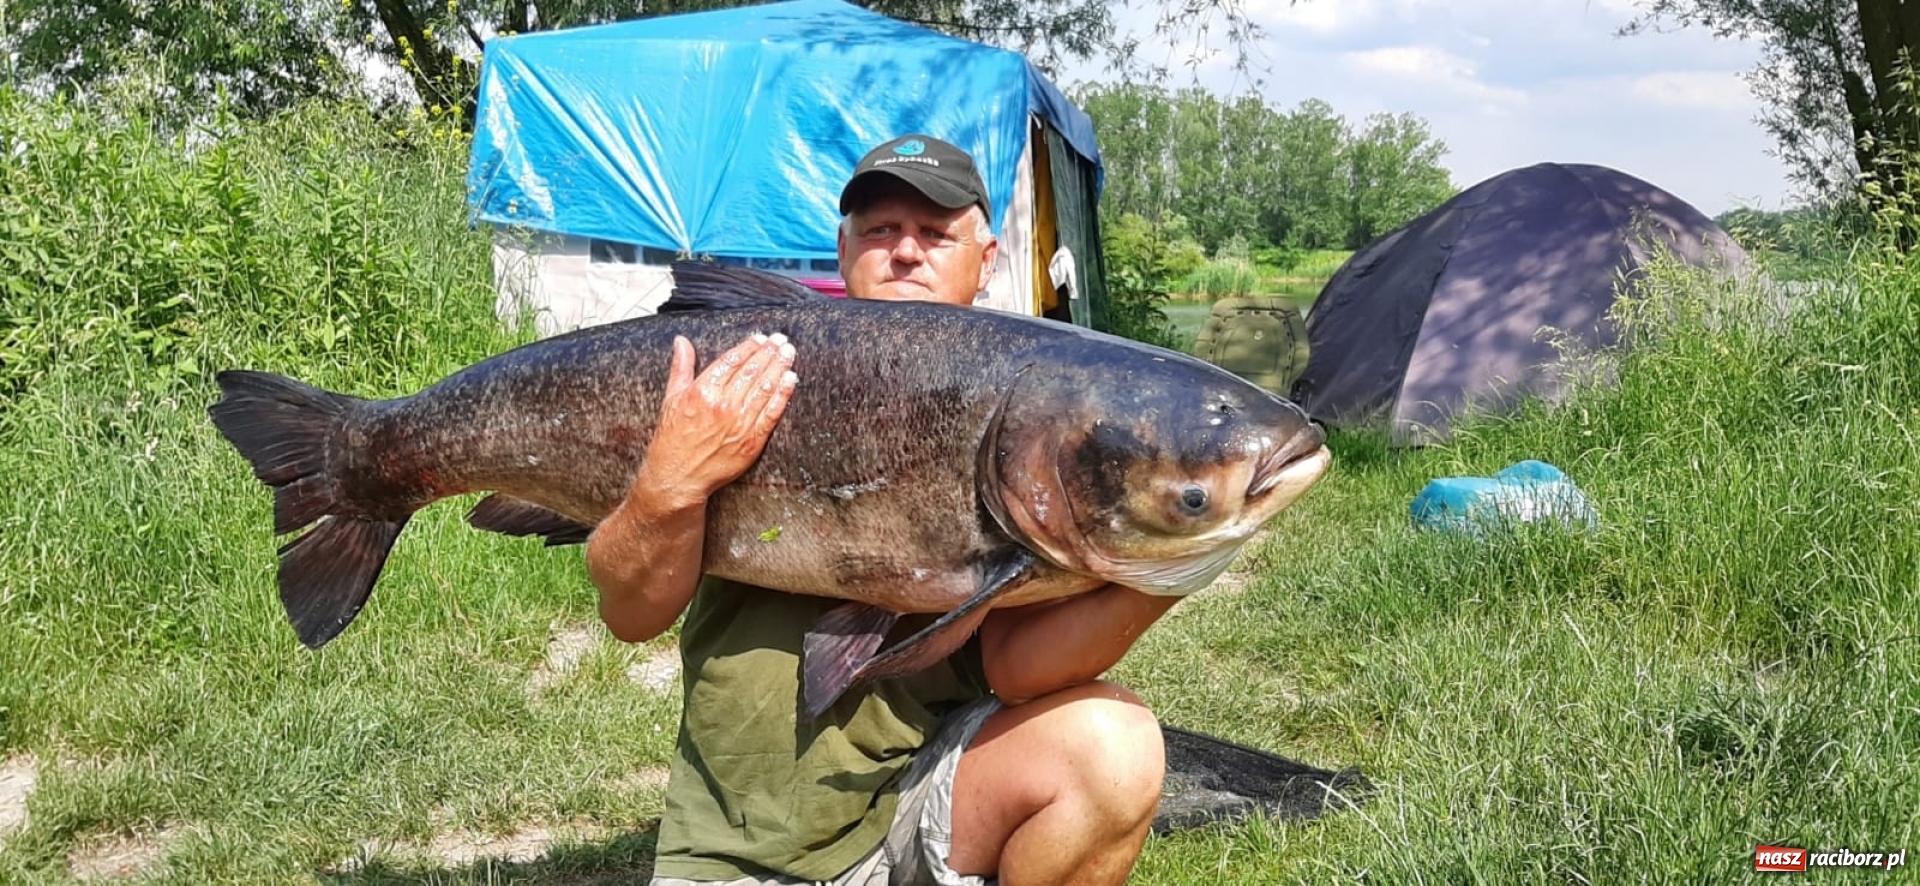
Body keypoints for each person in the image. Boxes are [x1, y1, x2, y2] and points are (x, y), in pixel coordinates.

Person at [586, 135, 1178, 886]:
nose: (905, 251)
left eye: (935, 233)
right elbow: (630, 615)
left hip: (926, 798)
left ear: (986, 259)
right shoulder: (740, 385)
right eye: (881, 230)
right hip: (736, 848)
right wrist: (668, 485)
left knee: (1114, 747)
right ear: (842, 249)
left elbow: (1017, 670)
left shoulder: (1026, 412)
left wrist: (1169, 564)